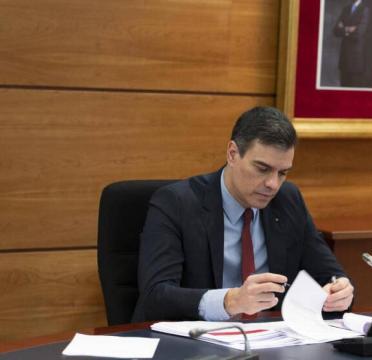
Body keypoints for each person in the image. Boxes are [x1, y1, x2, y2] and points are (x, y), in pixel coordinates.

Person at [132, 106, 354, 322]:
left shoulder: (288, 199)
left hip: (269, 338)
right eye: (262, 168)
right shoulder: (177, 203)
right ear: (232, 154)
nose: (273, 184)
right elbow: (156, 295)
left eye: (283, 173)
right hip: (196, 343)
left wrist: (340, 290)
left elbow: (328, 273)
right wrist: (231, 301)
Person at [333, 0, 370, 87]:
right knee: (343, 88)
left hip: (356, 59)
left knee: (354, 90)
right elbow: (335, 31)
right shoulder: (345, 9)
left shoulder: (365, 9)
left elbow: (359, 32)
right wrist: (348, 29)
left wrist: (343, 28)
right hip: (344, 57)